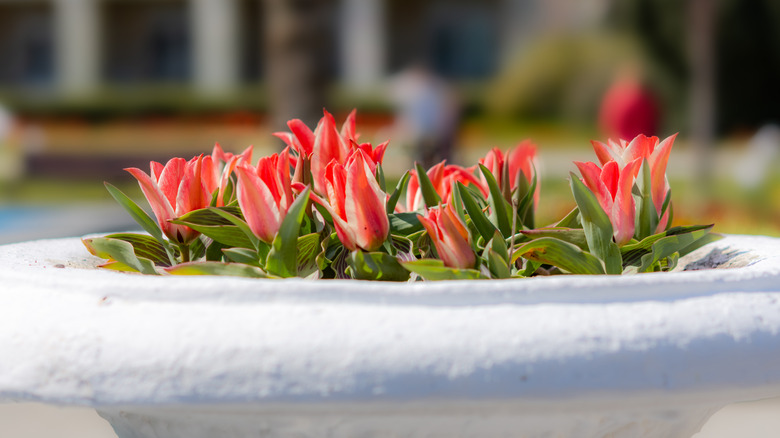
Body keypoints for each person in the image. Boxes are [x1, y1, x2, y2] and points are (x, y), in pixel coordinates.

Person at [388, 63, 460, 168]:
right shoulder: (420, 93)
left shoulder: (433, 92)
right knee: (427, 145)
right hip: (422, 133)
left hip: (431, 133)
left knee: (438, 145)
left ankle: (440, 166)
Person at [598, 67, 659, 140]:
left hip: (620, 143)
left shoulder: (614, 97)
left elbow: (605, 124)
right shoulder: (646, 99)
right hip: (642, 144)